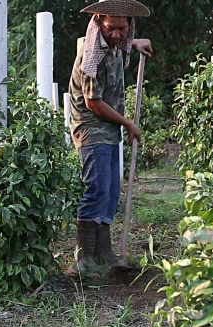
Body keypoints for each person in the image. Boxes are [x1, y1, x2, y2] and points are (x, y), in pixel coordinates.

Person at [68, 0, 153, 274]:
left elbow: (125, 40)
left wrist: (137, 42)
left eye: (122, 28)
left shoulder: (118, 43)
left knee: (111, 190)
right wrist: (128, 123)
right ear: (98, 24)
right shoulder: (92, 56)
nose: (115, 34)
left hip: (108, 127)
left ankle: (104, 252)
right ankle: (84, 257)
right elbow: (93, 103)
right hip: (90, 125)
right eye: (109, 28)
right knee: (96, 188)